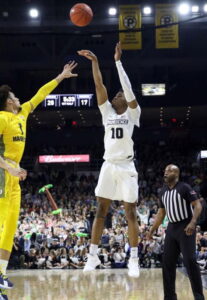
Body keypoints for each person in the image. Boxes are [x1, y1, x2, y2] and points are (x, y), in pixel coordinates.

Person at [0, 61, 78, 298]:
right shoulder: (2, 118)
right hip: (2, 176)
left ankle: (0, 274)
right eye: (14, 97)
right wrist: (9, 168)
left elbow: (40, 94)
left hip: (13, 177)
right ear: (8, 101)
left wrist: (61, 76)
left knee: (9, 230)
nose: (18, 98)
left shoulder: (22, 113)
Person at [78, 42, 141, 277]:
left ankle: (134, 258)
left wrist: (117, 62)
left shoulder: (134, 114)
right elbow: (99, 84)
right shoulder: (108, 113)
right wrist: (95, 62)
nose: (116, 94)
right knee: (100, 211)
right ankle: (92, 256)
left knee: (130, 212)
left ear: (126, 100)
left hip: (126, 165)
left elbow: (129, 89)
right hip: (108, 164)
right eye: (116, 94)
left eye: (120, 94)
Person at [148, 164, 205, 300]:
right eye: (165, 170)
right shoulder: (162, 191)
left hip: (186, 226)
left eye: (169, 170)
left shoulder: (184, 187)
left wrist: (193, 222)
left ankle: (199, 296)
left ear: (176, 173)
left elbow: (197, 205)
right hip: (172, 228)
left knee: (190, 260)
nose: (165, 172)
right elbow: (161, 213)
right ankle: (170, 297)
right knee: (167, 263)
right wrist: (151, 230)